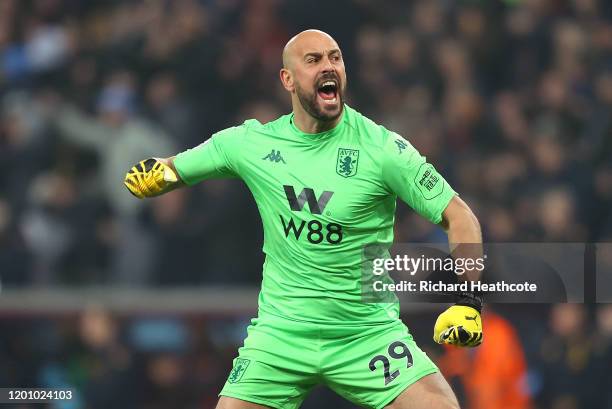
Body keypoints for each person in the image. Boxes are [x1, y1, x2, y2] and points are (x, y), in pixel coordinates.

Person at [124, 29, 483, 409]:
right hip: (282, 336)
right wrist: (157, 175)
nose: (328, 66)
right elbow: (174, 168)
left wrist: (470, 301)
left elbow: (459, 216)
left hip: (364, 334)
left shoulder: (383, 150)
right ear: (288, 79)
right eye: (313, 60)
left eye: (335, 57)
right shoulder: (253, 144)